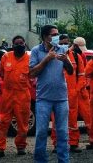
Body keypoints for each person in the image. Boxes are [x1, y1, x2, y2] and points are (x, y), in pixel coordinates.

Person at [29, 25, 73, 163]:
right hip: (43, 99)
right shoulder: (36, 51)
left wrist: (66, 60)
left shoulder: (62, 48)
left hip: (61, 98)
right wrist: (47, 59)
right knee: (41, 132)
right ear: (44, 36)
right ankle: (40, 160)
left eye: (57, 34)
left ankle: (63, 160)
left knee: (62, 132)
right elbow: (32, 73)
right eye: (53, 34)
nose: (56, 36)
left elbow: (71, 71)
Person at [0, 36, 31, 158]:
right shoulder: (6, 57)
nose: (19, 45)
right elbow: (2, 73)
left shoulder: (30, 59)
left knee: (22, 123)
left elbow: (33, 74)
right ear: (12, 45)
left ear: (24, 44)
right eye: (16, 43)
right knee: (3, 122)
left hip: (23, 95)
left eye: (21, 43)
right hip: (8, 95)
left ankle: (21, 147)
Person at [50, 34, 86, 153]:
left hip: (72, 94)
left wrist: (76, 90)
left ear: (69, 43)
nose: (64, 45)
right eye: (61, 43)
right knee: (56, 121)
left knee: (72, 120)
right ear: (57, 43)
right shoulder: (52, 56)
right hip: (57, 94)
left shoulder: (76, 57)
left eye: (66, 43)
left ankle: (74, 143)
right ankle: (56, 144)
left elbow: (81, 76)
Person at [72, 37, 91, 134]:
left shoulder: (82, 55)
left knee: (87, 114)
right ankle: (72, 139)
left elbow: (84, 72)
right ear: (74, 46)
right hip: (71, 89)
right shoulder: (69, 55)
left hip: (81, 88)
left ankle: (92, 136)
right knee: (71, 115)